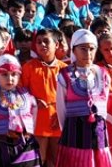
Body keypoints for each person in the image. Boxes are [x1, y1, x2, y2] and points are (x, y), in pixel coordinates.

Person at [55, 30, 112, 167]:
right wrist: (68, 130)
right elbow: (61, 108)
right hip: (74, 129)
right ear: (74, 50)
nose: (88, 53)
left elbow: (105, 104)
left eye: (92, 49)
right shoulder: (65, 75)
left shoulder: (103, 74)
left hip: (97, 129)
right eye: (83, 49)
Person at [0, 54, 39, 167]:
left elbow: (33, 119)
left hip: (25, 146)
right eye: (4, 74)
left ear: (19, 76)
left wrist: (29, 135)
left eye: (14, 74)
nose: (9, 79)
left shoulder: (28, 96)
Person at [20, 29, 64, 162]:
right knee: (39, 159)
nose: (42, 45)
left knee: (58, 160)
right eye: (39, 42)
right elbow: (21, 92)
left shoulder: (65, 69)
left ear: (56, 45)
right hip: (37, 121)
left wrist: (62, 114)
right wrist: (33, 100)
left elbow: (70, 97)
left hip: (58, 121)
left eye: (46, 41)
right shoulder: (28, 67)